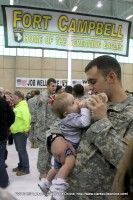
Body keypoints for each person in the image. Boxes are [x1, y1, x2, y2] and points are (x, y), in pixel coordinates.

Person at [46, 55, 133, 200]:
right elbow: (58, 122)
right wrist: (55, 137)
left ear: (111, 77)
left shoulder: (130, 112)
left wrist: (102, 122)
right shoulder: (86, 102)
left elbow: (126, 162)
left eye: (93, 82)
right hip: (67, 193)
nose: (90, 88)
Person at [38, 93, 91, 199]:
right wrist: (84, 108)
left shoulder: (66, 117)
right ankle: (59, 187)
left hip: (61, 148)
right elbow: (85, 122)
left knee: (55, 168)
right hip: (69, 146)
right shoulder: (71, 118)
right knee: (69, 164)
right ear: (66, 113)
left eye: (75, 99)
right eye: (73, 102)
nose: (77, 102)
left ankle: (46, 183)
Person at [36, 78, 57, 179]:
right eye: (52, 86)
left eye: (55, 86)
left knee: (50, 151)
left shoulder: (53, 96)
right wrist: (42, 130)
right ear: (47, 86)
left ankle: (48, 168)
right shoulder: (43, 97)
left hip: (51, 129)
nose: (54, 88)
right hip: (43, 129)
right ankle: (42, 171)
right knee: (43, 151)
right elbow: (41, 115)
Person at [10, 91, 31, 176]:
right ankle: (21, 166)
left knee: (22, 150)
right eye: (12, 97)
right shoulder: (18, 106)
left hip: (21, 132)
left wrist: (26, 129)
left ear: (20, 98)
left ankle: (25, 169)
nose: (12, 99)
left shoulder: (22, 107)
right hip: (16, 131)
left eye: (14, 98)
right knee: (19, 150)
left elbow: (27, 118)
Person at [0, 87, 15, 188]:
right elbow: (12, 116)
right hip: (1, 134)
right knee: (0, 159)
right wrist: (6, 126)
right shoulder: (3, 103)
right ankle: (3, 182)